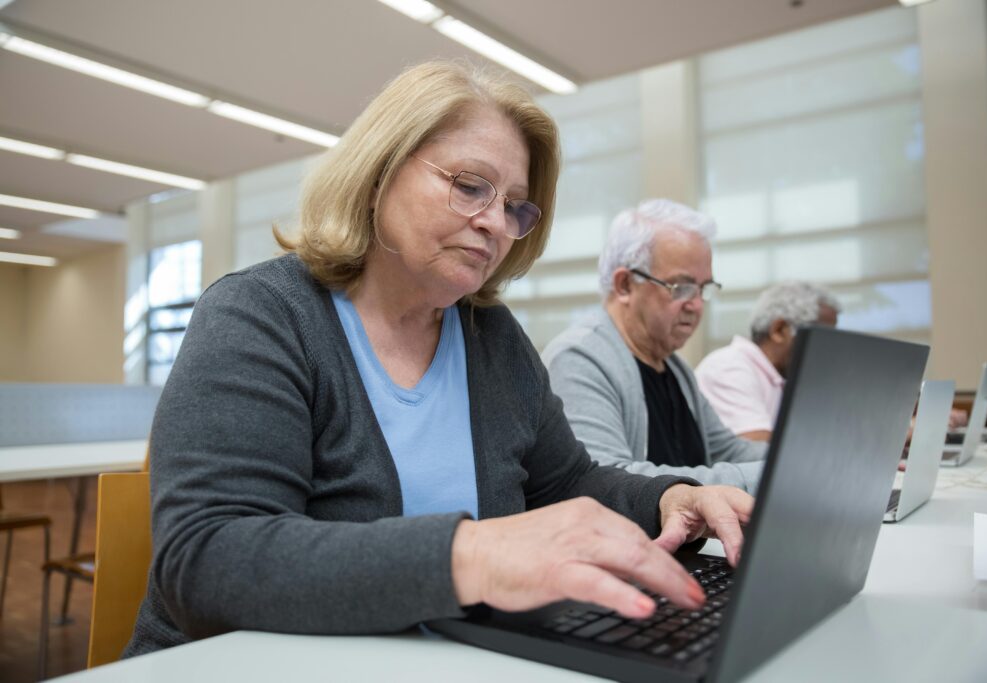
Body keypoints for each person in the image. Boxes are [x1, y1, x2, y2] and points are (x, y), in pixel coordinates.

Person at [124, 62, 754, 657]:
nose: (495, 225)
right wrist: (473, 556)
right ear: (379, 172)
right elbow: (208, 560)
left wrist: (669, 499)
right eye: (469, 186)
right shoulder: (262, 315)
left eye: (513, 206)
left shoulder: (491, 336)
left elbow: (564, 485)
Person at [542, 200, 766, 495]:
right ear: (624, 285)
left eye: (703, 288)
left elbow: (729, 451)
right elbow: (610, 482)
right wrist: (754, 477)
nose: (696, 304)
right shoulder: (577, 361)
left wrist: (797, 460)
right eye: (681, 287)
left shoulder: (674, 367)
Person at [695, 281, 840, 441]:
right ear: (779, 330)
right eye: (822, 338)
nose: (828, 351)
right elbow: (754, 451)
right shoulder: (727, 368)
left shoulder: (785, 379)